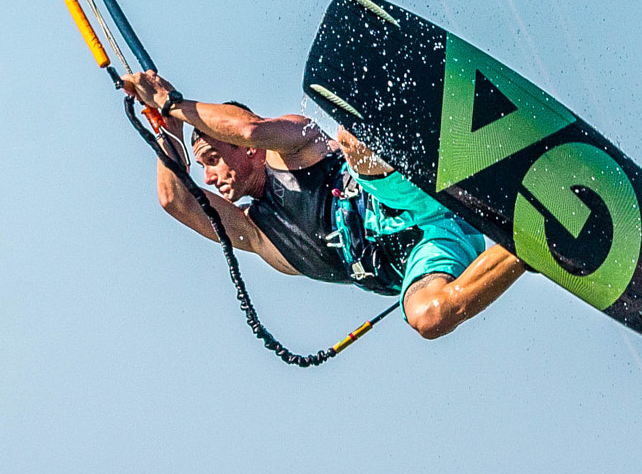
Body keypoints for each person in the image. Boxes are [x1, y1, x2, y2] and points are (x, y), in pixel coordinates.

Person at [120, 70, 527, 339]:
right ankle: (531, 243)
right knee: (429, 317)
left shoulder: (296, 146)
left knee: (351, 136)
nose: (207, 177)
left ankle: (460, 128)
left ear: (246, 151)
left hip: (411, 194)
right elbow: (175, 199)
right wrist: (166, 132)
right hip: (437, 247)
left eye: (211, 159)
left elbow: (250, 127)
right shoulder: (259, 235)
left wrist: (172, 101)